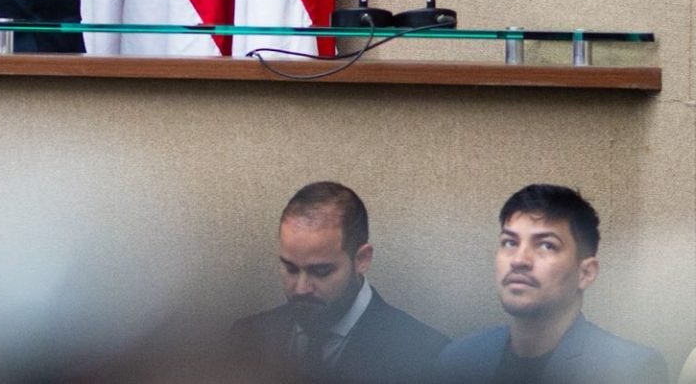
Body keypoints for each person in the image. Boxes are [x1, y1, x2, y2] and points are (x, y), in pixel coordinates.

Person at [430, 184, 668, 384]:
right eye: (510, 242)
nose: (519, 260)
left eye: (546, 245)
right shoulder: (458, 360)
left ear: (586, 273)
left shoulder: (630, 370)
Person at [228, 181, 449, 384]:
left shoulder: (424, 356)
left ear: (361, 260)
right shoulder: (246, 339)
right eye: (290, 268)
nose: (301, 288)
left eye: (321, 271)